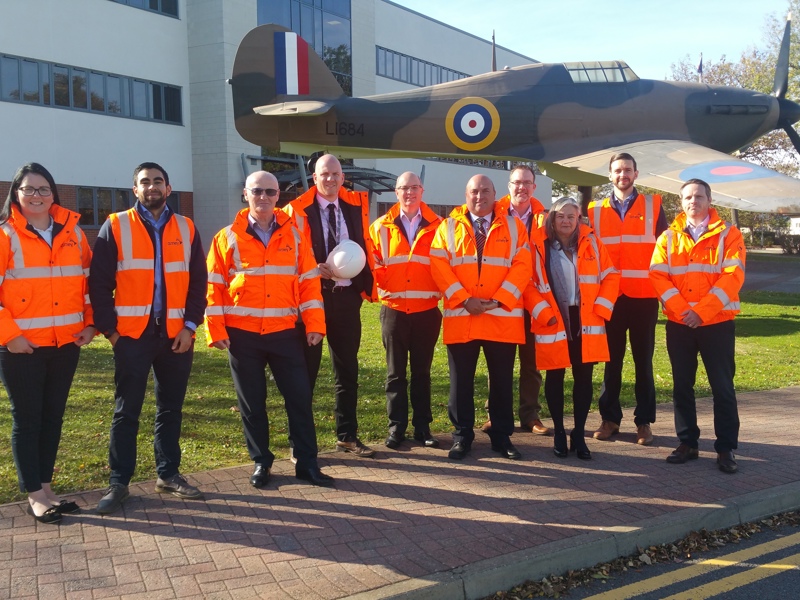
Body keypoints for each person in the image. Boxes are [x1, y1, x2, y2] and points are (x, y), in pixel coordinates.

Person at [89, 162, 207, 514]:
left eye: (158, 181)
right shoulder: (115, 225)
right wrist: (111, 332)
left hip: (175, 336)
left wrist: (190, 326)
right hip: (132, 336)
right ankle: (119, 482)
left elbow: (199, 283)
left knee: (170, 408)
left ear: (168, 188)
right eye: (145, 182)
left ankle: (168, 474)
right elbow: (98, 283)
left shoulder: (186, 227)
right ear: (135, 188)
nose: (152, 187)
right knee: (127, 411)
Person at [205, 171, 333, 487]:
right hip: (242, 334)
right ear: (246, 194)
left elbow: (309, 285)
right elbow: (212, 287)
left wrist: (315, 324)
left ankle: (307, 463)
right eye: (257, 191)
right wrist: (216, 330)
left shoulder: (295, 236)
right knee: (252, 403)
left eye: (270, 192)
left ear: (279, 197)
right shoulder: (226, 237)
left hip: (284, 332)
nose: (264, 197)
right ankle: (261, 462)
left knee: (300, 398)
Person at [0, 163, 95, 524]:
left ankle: (47, 487)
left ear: (54, 194)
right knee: (28, 419)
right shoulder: (5, 235)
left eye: (43, 189)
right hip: (21, 347)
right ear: (16, 194)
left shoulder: (73, 234)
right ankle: (35, 495)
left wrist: (89, 323)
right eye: (29, 190)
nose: (36, 196)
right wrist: (10, 336)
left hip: (65, 344)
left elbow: (86, 283)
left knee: (52, 417)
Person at [430, 174, 532, 460]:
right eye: (474, 191)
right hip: (463, 316)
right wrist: (464, 299)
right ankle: (462, 437)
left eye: (485, 191)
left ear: (495, 194)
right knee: (460, 381)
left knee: (501, 381)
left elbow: (523, 265)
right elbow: (438, 266)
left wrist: (498, 299)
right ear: (466, 194)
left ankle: (501, 437)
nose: (479, 196)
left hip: (501, 316)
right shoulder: (447, 227)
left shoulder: (515, 227)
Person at [649, 179, 745, 474]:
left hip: (716, 323)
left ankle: (726, 448)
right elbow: (657, 275)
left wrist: (701, 313)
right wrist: (683, 311)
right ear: (681, 202)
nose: (694, 201)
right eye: (688, 197)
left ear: (709, 199)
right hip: (679, 324)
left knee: (723, 388)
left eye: (699, 196)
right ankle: (687, 443)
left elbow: (733, 276)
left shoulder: (729, 234)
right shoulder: (668, 237)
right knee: (682, 387)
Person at [284, 154, 376, 457]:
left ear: (342, 177)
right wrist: (313, 267)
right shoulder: (296, 210)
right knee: (304, 372)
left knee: (347, 369)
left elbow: (363, 244)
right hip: (313, 299)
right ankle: (301, 443)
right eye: (325, 174)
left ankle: (347, 435)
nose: (331, 179)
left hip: (347, 298)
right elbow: (289, 253)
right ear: (315, 178)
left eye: (336, 174)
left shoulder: (354, 206)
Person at [527, 197, 619, 460]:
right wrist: (542, 312)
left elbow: (611, 274)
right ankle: (558, 432)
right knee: (555, 376)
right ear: (552, 219)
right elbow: (528, 283)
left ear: (578, 219)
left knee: (583, 378)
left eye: (571, 216)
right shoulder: (538, 245)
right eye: (560, 216)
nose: (565, 221)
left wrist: (602, 307)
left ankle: (578, 434)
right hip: (553, 317)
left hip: (585, 318)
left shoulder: (591, 242)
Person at [588, 153, 667, 446]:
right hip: (610, 297)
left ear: (636, 173)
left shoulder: (653, 206)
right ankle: (610, 419)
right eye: (617, 170)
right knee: (612, 362)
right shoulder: (594, 209)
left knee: (643, 362)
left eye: (628, 170)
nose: (623, 174)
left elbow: (666, 249)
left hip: (644, 296)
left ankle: (644, 422)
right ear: (610, 175)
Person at [369, 172, 443, 449]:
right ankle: (396, 428)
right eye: (403, 188)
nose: (409, 192)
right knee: (395, 373)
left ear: (422, 191)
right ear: (396, 192)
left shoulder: (440, 226)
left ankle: (423, 428)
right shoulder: (379, 227)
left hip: (427, 310)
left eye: (414, 187)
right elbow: (372, 264)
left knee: (422, 373)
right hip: (394, 310)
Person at [482, 165, 551, 436]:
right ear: (508, 186)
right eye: (516, 183)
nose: (521, 188)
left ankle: (530, 415)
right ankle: (496, 413)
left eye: (527, 183)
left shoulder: (546, 219)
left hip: (534, 299)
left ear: (534, 187)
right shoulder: (493, 212)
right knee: (499, 361)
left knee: (532, 361)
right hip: (502, 297)